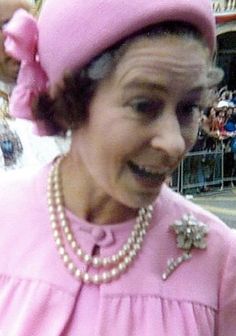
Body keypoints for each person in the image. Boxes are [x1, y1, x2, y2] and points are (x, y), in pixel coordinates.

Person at [0, 0, 235, 335]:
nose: (173, 142)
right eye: (143, 105)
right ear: (73, 102)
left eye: (188, 108)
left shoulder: (219, 258)